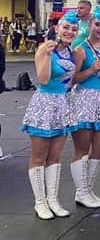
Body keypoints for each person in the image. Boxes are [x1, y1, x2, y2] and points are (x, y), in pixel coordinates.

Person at [20, 11, 80, 219]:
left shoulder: (70, 51)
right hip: (44, 106)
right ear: (57, 28)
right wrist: (46, 54)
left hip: (62, 106)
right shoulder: (45, 48)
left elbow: (70, 81)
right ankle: (40, 202)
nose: (70, 32)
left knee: (55, 157)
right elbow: (43, 80)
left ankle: (53, 200)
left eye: (74, 29)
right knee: (39, 156)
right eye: (66, 28)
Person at [69, 5, 100, 209]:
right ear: (90, 24)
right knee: (82, 148)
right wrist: (91, 70)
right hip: (84, 101)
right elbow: (72, 80)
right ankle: (80, 192)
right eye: (98, 24)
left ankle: (89, 189)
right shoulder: (81, 49)